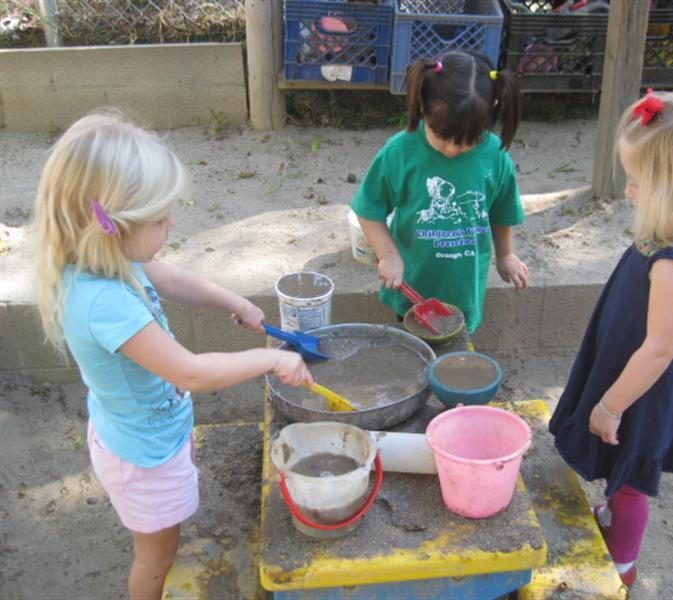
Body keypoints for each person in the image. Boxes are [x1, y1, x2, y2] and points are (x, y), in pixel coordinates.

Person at [32, 111, 313, 600]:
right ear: (111, 225)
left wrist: (235, 301)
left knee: (165, 536)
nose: (173, 222)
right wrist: (271, 359)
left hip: (151, 429)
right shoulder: (103, 303)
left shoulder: (111, 258)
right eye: (161, 219)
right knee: (156, 555)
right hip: (143, 457)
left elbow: (166, 276)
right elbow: (191, 371)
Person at [548, 91, 673, 587]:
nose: (630, 191)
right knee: (620, 473)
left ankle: (622, 564)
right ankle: (612, 519)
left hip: (645, 389)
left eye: (638, 181)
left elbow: (659, 349)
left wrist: (611, 405)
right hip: (631, 366)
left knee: (632, 479)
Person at [351, 50, 528, 334]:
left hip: (465, 288)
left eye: (466, 142)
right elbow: (368, 210)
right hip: (412, 285)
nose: (452, 149)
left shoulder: (495, 156)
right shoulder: (400, 151)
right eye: (442, 138)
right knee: (414, 354)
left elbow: (502, 213)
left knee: (454, 359)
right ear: (423, 108)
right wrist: (388, 256)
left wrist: (505, 255)